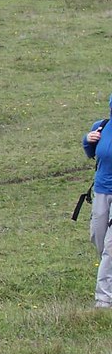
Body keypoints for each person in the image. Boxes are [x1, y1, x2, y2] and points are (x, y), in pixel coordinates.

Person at [83, 93, 112, 309]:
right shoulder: (102, 126)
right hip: (101, 190)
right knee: (97, 237)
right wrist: (88, 140)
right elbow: (91, 154)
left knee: (110, 247)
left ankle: (103, 299)